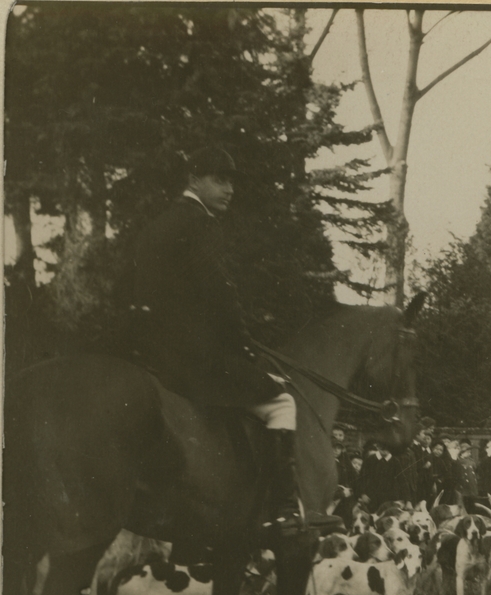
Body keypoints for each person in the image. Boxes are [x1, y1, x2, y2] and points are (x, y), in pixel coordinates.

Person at [133, 145, 339, 537]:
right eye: (220, 179)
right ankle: (283, 509)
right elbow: (218, 294)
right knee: (281, 402)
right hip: (196, 361)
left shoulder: (157, 225)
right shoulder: (201, 223)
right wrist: (244, 343)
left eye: (232, 182)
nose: (230, 189)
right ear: (194, 179)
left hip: (155, 357)